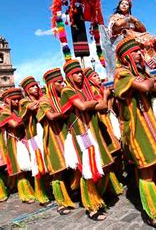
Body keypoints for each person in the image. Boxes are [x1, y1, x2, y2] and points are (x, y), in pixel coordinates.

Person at [113, 37, 156, 229]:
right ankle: (152, 214)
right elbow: (149, 86)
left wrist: (149, 80)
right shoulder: (121, 73)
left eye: (141, 51)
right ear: (127, 56)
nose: (141, 54)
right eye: (136, 51)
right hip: (137, 130)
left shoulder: (139, 72)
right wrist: (150, 80)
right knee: (147, 169)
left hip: (150, 125)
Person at [60, 59, 112, 221]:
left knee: (103, 165)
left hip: (95, 132)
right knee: (88, 169)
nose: (79, 76)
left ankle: (99, 197)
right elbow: (81, 107)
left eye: (80, 72)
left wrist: (91, 103)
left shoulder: (87, 89)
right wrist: (95, 102)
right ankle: (91, 207)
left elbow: (104, 106)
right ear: (69, 76)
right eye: (75, 73)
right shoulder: (67, 91)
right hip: (81, 134)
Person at [37, 68, 76, 214]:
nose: (63, 84)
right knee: (58, 169)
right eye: (59, 82)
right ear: (52, 85)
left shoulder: (64, 96)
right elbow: (51, 116)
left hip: (68, 134)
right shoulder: (44, 100)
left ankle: (73, 191)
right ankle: (62, 201)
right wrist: (66, 112)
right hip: (53, 137)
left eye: (63, 81)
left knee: (72, 165)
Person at [83, 67, 124, 198]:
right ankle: (109, 185)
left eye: (97, 76)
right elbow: (103, 107)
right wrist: (106, 96)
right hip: (103, 123)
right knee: (111, 153)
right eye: (94, 76)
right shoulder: (93, 90)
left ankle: (115, 181)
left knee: (116, 152)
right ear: (89, 80)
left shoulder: (100, 88)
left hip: (109, 121)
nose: (98, 78)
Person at [106, 0, 156, 71]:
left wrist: (136, 21)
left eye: (126, 4)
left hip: (135, 39)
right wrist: (129, 19)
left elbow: (143, 29)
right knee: (146, 42)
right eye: (122, 3)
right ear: (119, 5)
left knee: (152, 40)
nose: (123, 5)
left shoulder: (132, 19)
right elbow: (117, 25)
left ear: (129, 7)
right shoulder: (115, 17)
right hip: (123, 42)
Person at [0, 87, 36, 203]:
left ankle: (34, 189)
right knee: (20, 168)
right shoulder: (5, 113)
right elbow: (14, 124)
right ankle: (25, 194)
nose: (16, 101)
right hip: (14, 142)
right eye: (13, 99)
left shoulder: (21, 110)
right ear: (8, 100)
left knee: (30, 166)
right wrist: (26, 114)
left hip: (25, 140)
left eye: (18, 99)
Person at [19, 76, 51, 205]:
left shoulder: (42, 98)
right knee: (37, 163)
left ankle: (49, 190)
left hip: (46, 133)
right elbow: (31, 108)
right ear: (26, 90)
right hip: (33, 136)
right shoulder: (24, 102)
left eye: (35, 85)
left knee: (48, 160)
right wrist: (40, 103)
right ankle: (41, 194)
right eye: (31, 87)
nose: (35, 88)